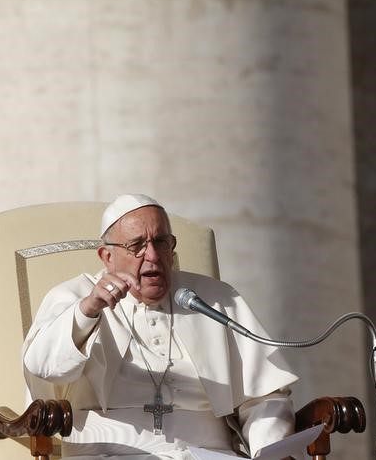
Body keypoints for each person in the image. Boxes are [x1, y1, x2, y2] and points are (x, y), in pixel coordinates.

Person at [23, 194, 299, 460]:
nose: (152, 255)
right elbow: (42, 367)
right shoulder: (74, 298)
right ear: (107, 257)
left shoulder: (215, 298)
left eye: (161, 242)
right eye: (137, 245)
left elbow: (265, 397)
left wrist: (269, 450)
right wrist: (88, 311)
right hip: (105, 454)